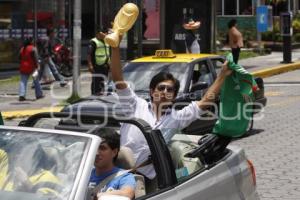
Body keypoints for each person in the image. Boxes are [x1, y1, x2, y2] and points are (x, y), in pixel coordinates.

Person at [108, 36, 232, 181]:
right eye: (161, 88)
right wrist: (115, 47)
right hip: (122, 174)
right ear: (152, 91)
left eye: (169, 90)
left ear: (174, 96)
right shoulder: (135, 105)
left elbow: (205, 102)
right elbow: (118, 79)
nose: (164, 92)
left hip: (152, 179)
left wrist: (222, 75)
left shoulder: (177, 118)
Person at [88, 128, 136, 200]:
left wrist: (96, 196)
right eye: (94, 147)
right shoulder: (84, 175)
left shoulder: (124, 177)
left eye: (102, 148)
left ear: (114, 152)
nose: (97, 153)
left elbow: (127, 193)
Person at [87, 27, 111, 96]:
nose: (105, 35)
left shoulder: (107, 41)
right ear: (99, 34)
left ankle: (102, 94)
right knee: (96, 82)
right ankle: (94, 95)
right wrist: (90, 65)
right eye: (104, 34)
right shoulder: (93, 42)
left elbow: (108, 53)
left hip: (105, 65)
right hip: (96, 66)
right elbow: (89, 54)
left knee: (103, 82)